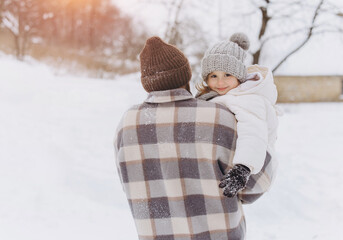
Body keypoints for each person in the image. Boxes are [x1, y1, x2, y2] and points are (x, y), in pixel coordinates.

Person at [114, 36, 277, 240]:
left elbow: (129, 182)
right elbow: (257, 184)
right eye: (214, 76)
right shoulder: (220, 118)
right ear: (186, 77)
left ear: (147, 84)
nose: (220, 82)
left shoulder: (127, 124)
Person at [197, 33, 281, 197]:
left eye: (227, 75)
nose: (220, 82)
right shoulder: (220, 96)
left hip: (255, 169)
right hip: (238, 165)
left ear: (239, 76)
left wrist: (243, 168)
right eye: (214, 76)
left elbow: (253, 132)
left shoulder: (248, 99)